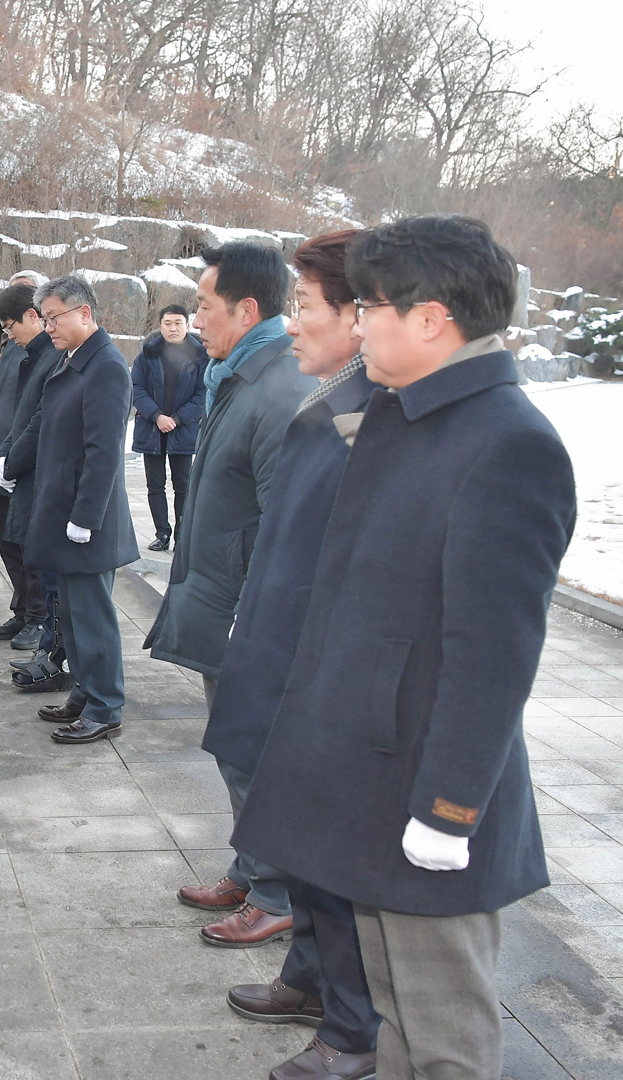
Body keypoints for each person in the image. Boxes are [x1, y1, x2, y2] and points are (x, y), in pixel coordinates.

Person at [232, 216, 575, 1080]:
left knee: (442, 1033)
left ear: (430, 319)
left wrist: (449, 812)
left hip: (424, 794)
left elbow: (492, 658)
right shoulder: (405, 413)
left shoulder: (508, 444)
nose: (358, 324)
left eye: (372, 307)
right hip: (367, 778)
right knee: (394, 1016)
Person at [202, 231, 382, 1080]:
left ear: (360, 316)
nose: (294, 322)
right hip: (282, 647)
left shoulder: (369, 416)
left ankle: (353, 1026)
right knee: (302, 841)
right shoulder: (330, 397)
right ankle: (308, 978)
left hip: (323, 669)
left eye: (307, 307)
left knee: (332, 851)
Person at [142, 241, 317, 948]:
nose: (196, 319)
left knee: (254, 753)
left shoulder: (278, 389)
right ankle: (251, 870)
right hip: (225, 595)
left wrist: (254, 614)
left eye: (205, 306)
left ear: (246, 310)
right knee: (232, 747)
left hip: (250, 612)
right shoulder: (239, 375)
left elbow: (287, 522)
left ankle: (277, 894)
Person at [21, 275, 138, 744]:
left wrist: (86, 518)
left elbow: (103, 452)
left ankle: (106, 706)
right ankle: (85, 694)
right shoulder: (73, 360)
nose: (48, 326)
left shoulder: (106, 367)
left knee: (93, 617)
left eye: (54, 317)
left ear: (84, 313)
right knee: (70, 615)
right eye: (45, 318)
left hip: (87, 519)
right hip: (63, 514)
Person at [0, 286, 67, 693]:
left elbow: (40, 420)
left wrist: (12, 459)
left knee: (51, 578)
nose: (9, 335)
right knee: (25, 555)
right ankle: (49, 651)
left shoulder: (56, 357)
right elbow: (20, 416)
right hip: (24, 469)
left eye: (11, 326)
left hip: (44, 479)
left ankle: (56, 656)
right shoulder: (36, 355)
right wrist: (3, 453)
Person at [0, 283, 48, 650]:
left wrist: (15, 454)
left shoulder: (41, 347)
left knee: (27, 542)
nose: (7, 331)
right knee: (6, 541)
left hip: (22, 457)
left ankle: (38, 615)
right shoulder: (2, 340)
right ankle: (22, 609)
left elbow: (33, 408)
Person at [129, 304, 208, 551]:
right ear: (160, 326)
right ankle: (162, 533)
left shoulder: (200, 356)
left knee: (183, 486)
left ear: (187, 325)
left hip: (183, 430)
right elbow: (136, 388)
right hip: (152, 429)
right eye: (168, 323)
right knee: (155, 485)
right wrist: (157, 416)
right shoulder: (147, 354)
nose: (173, 328)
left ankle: (182, 536)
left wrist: (177, 419)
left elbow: (203, 393)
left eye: (178, 323)